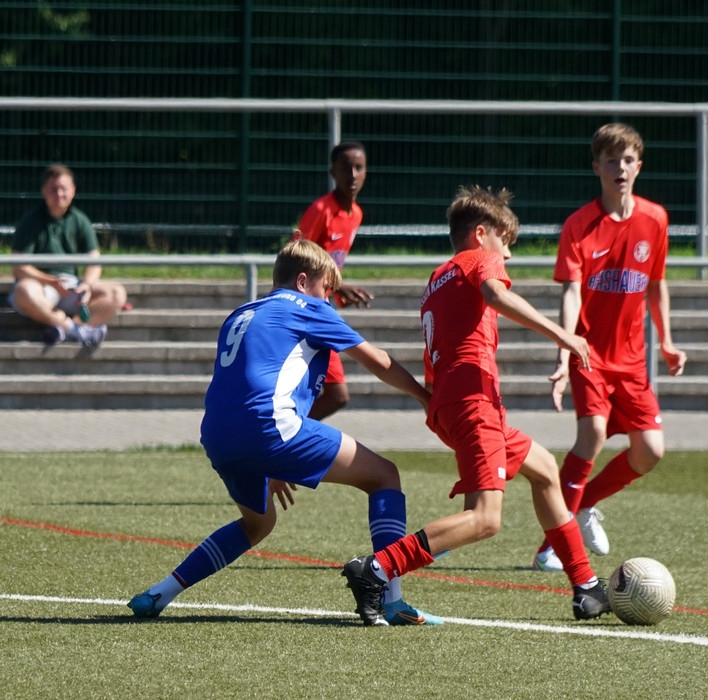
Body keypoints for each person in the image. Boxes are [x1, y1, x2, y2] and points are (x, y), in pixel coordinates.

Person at [127, 238, 441, 626]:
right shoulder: (308, 306)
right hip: (268, 425)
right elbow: (377, 361)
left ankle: (160, 593)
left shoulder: (242, 312)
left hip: (216, 434)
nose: (329, 299)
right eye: (327, 289)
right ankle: (391, 598)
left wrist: (273, 460)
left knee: (258, 524)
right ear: (304, 281)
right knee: (384, 476)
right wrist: (424, 396)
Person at [341, 185, 612, 625]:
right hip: (473, 403)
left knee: (544, 470)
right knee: (485, 519)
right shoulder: (478, 258)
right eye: (505, 243)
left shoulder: (438, 277)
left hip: (452, 403)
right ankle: (376, 569)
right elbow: (497, 295)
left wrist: (440, 402)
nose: (507, 256)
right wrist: (564, 335)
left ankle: (586, 586)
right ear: (482, 233)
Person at [533, 123, 687, 572]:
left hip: (633, 359)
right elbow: (571, 293)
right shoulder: (579, 226)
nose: (619, 168)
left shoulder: (655, 219)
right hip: (589, 354)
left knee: (650, 451)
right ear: (595, 166)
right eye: (610, 159)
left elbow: (656, 285)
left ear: (639, 166)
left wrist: (669, 343)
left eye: (627, 160)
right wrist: (564, 351)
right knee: (593, 434)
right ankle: (550, 546)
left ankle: (582, 506)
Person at [292, 141, 375, 420]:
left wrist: (337, 294)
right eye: (345, 168)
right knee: (337, 394)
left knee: (331, 394)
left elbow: (329, 264)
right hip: (302, 310)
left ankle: (282, 439)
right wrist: (337, 287)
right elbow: (293, 259)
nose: (352, 174)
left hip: (322, 307)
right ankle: (281, 439)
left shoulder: (356, 214)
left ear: (365, 172)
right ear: (332, 172)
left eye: (358, 168)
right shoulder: (321, 211)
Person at [7, 164, 127, 347]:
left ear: (73, 191)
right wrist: (50, 281)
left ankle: (67, 329)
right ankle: (76, 330)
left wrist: (86, 285)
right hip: (41, 286)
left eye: (63, 189)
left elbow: (94, 261)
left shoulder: (80, 219)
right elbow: (19, 267)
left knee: (117, 293)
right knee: (24, 290)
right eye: (53, 189)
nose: (59, 194)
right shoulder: (30, 221)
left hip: (72, 286)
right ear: (44, 191)